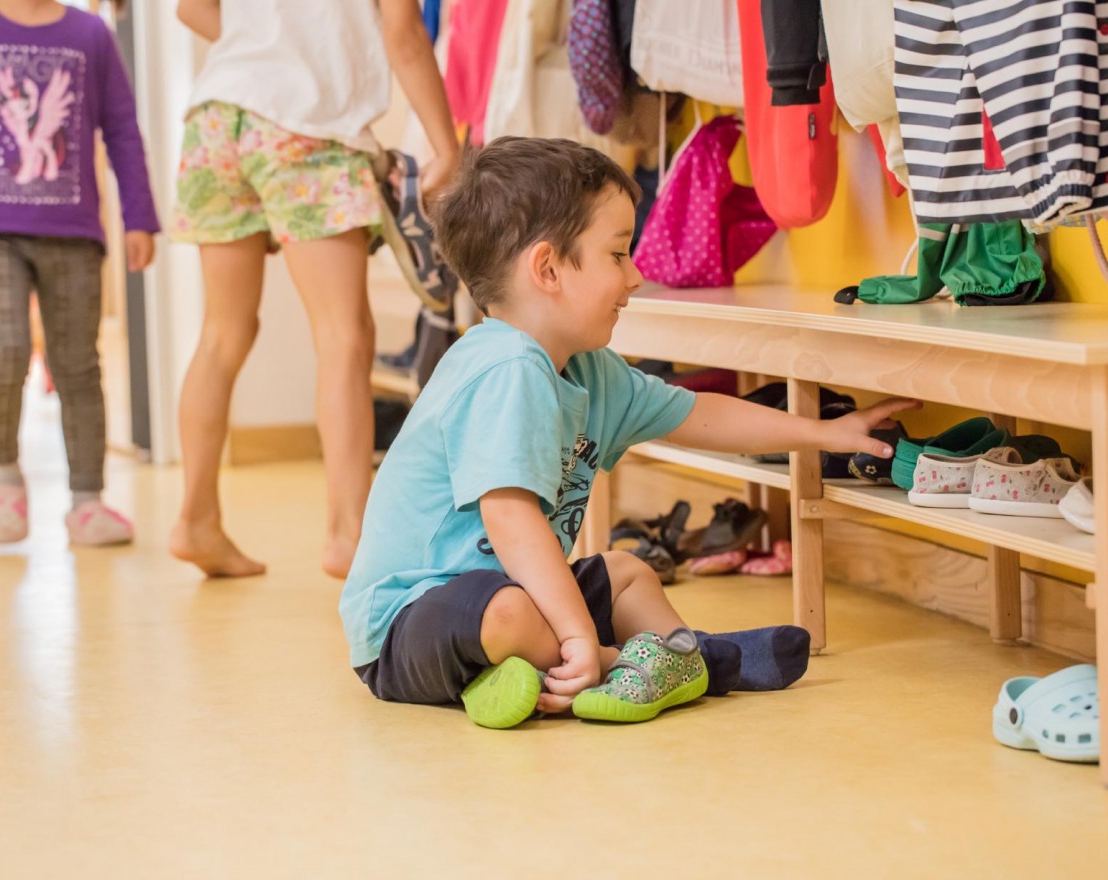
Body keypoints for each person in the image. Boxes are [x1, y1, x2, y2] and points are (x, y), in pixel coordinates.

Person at [339, 138, 919, 729]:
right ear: (547, 269)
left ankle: (648, 661)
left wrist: (825, 432)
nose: (636, 275)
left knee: (626, 572)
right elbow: (510, 519)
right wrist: (577, 632)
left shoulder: (591, 371)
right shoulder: (502, 367)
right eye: (618, 255)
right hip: (407, 623)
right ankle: (657, 665)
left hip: (518, 595)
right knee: (507, 614)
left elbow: (698, 413)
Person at [169, 0, 461, 579]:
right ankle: (349, 536)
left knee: (224, 332)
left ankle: (196, 519)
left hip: (218, 117)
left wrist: (269, 45)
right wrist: (445, 145)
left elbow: (190, 9)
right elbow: (403, 31)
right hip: (308, 127)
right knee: (344, 335)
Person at [0, 0, 159, 545]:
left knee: (76, 365)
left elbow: (121, 128)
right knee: (2, 351)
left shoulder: (91, 35)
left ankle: (87, 499)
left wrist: (139, 215)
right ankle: (0, 477)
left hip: (74, 232)